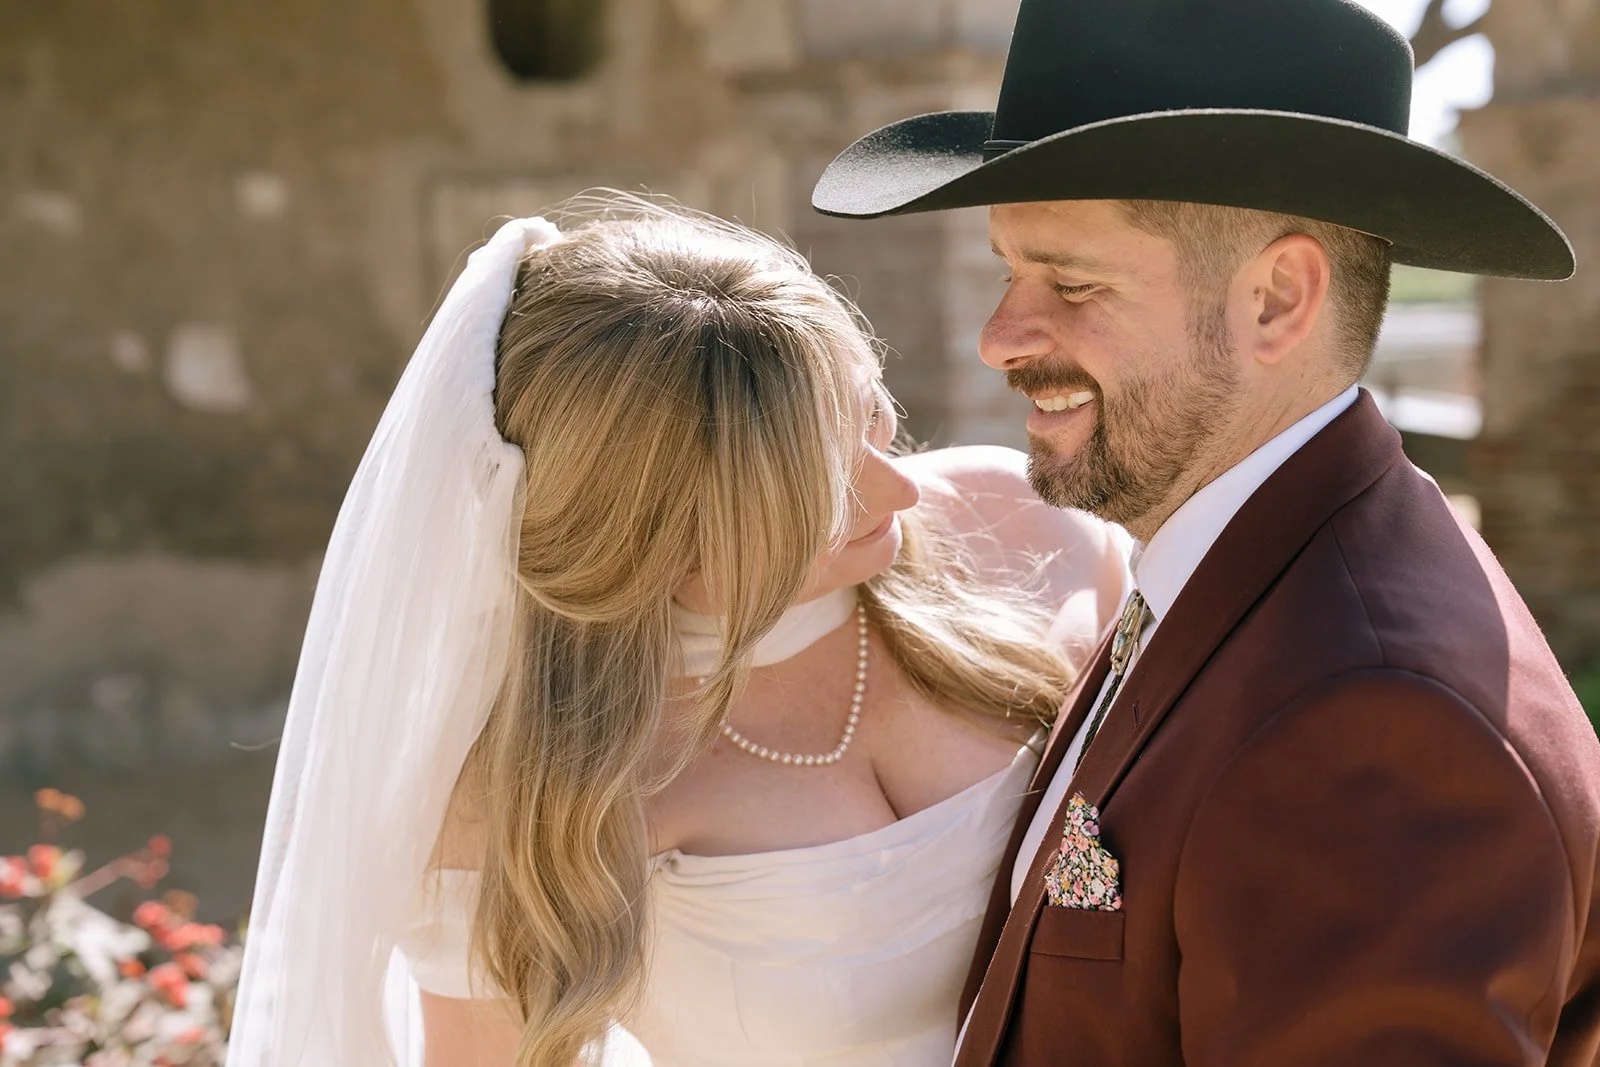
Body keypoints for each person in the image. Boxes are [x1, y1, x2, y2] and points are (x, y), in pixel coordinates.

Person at [812, 1, 1600, 1065]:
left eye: (1072, 282)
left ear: (1276, 299)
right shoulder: (1235, 571)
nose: (1003, 336)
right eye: (1010, 272)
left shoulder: (1371, 724)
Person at [224, 194, 1129, 1067]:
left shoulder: (1026, 525)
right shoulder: (525, 796)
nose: (898, 489)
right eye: (816, 488)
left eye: (872, 418)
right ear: (645, 535)